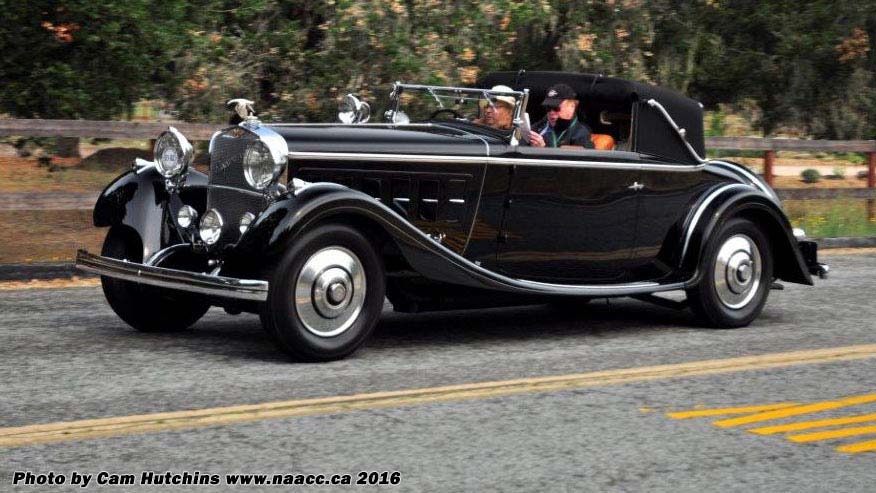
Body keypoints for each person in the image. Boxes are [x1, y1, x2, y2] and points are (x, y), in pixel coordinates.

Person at [529, 83, 593, 149]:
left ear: (571, 107)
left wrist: (542, 149)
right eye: (548, 108)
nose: (551, 112)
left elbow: (571, 158)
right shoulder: (539, 127)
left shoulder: (581, 134)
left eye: (556, 108)